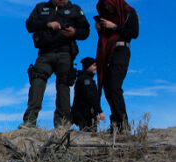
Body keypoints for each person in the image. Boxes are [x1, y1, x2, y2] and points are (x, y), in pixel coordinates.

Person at [20, 0, 90, 129]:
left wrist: (74, 32)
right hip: (45, 53)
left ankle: (62, 124)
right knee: (37, 82)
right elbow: (30, 25)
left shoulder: (75, 9)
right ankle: (29, 122)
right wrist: (47, 24)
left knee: (63, 85)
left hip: (65, 52)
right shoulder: (41, 7)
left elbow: (85, 31)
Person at [95, 0, 138, 134]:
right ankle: (116, 124)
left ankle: (123, 125)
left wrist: (114, 27)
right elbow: (105, 37)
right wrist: (100, 29)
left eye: (109, 4)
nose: (107, 7)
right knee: (108, 88)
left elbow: (134, 33)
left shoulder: (128, 12)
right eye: (105, 5)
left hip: (121, 51)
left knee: (114, 86)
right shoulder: (107, 15)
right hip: (107, 53)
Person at [71, 57, 105, 132]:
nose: (95, 68)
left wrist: (95, 113)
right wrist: (99, 111)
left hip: (87, 113)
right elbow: (90, 96)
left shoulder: (85, 79)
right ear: (88, 66)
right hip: (85, 114)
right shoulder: (85, 80)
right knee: (89, 134)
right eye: (94, 65)